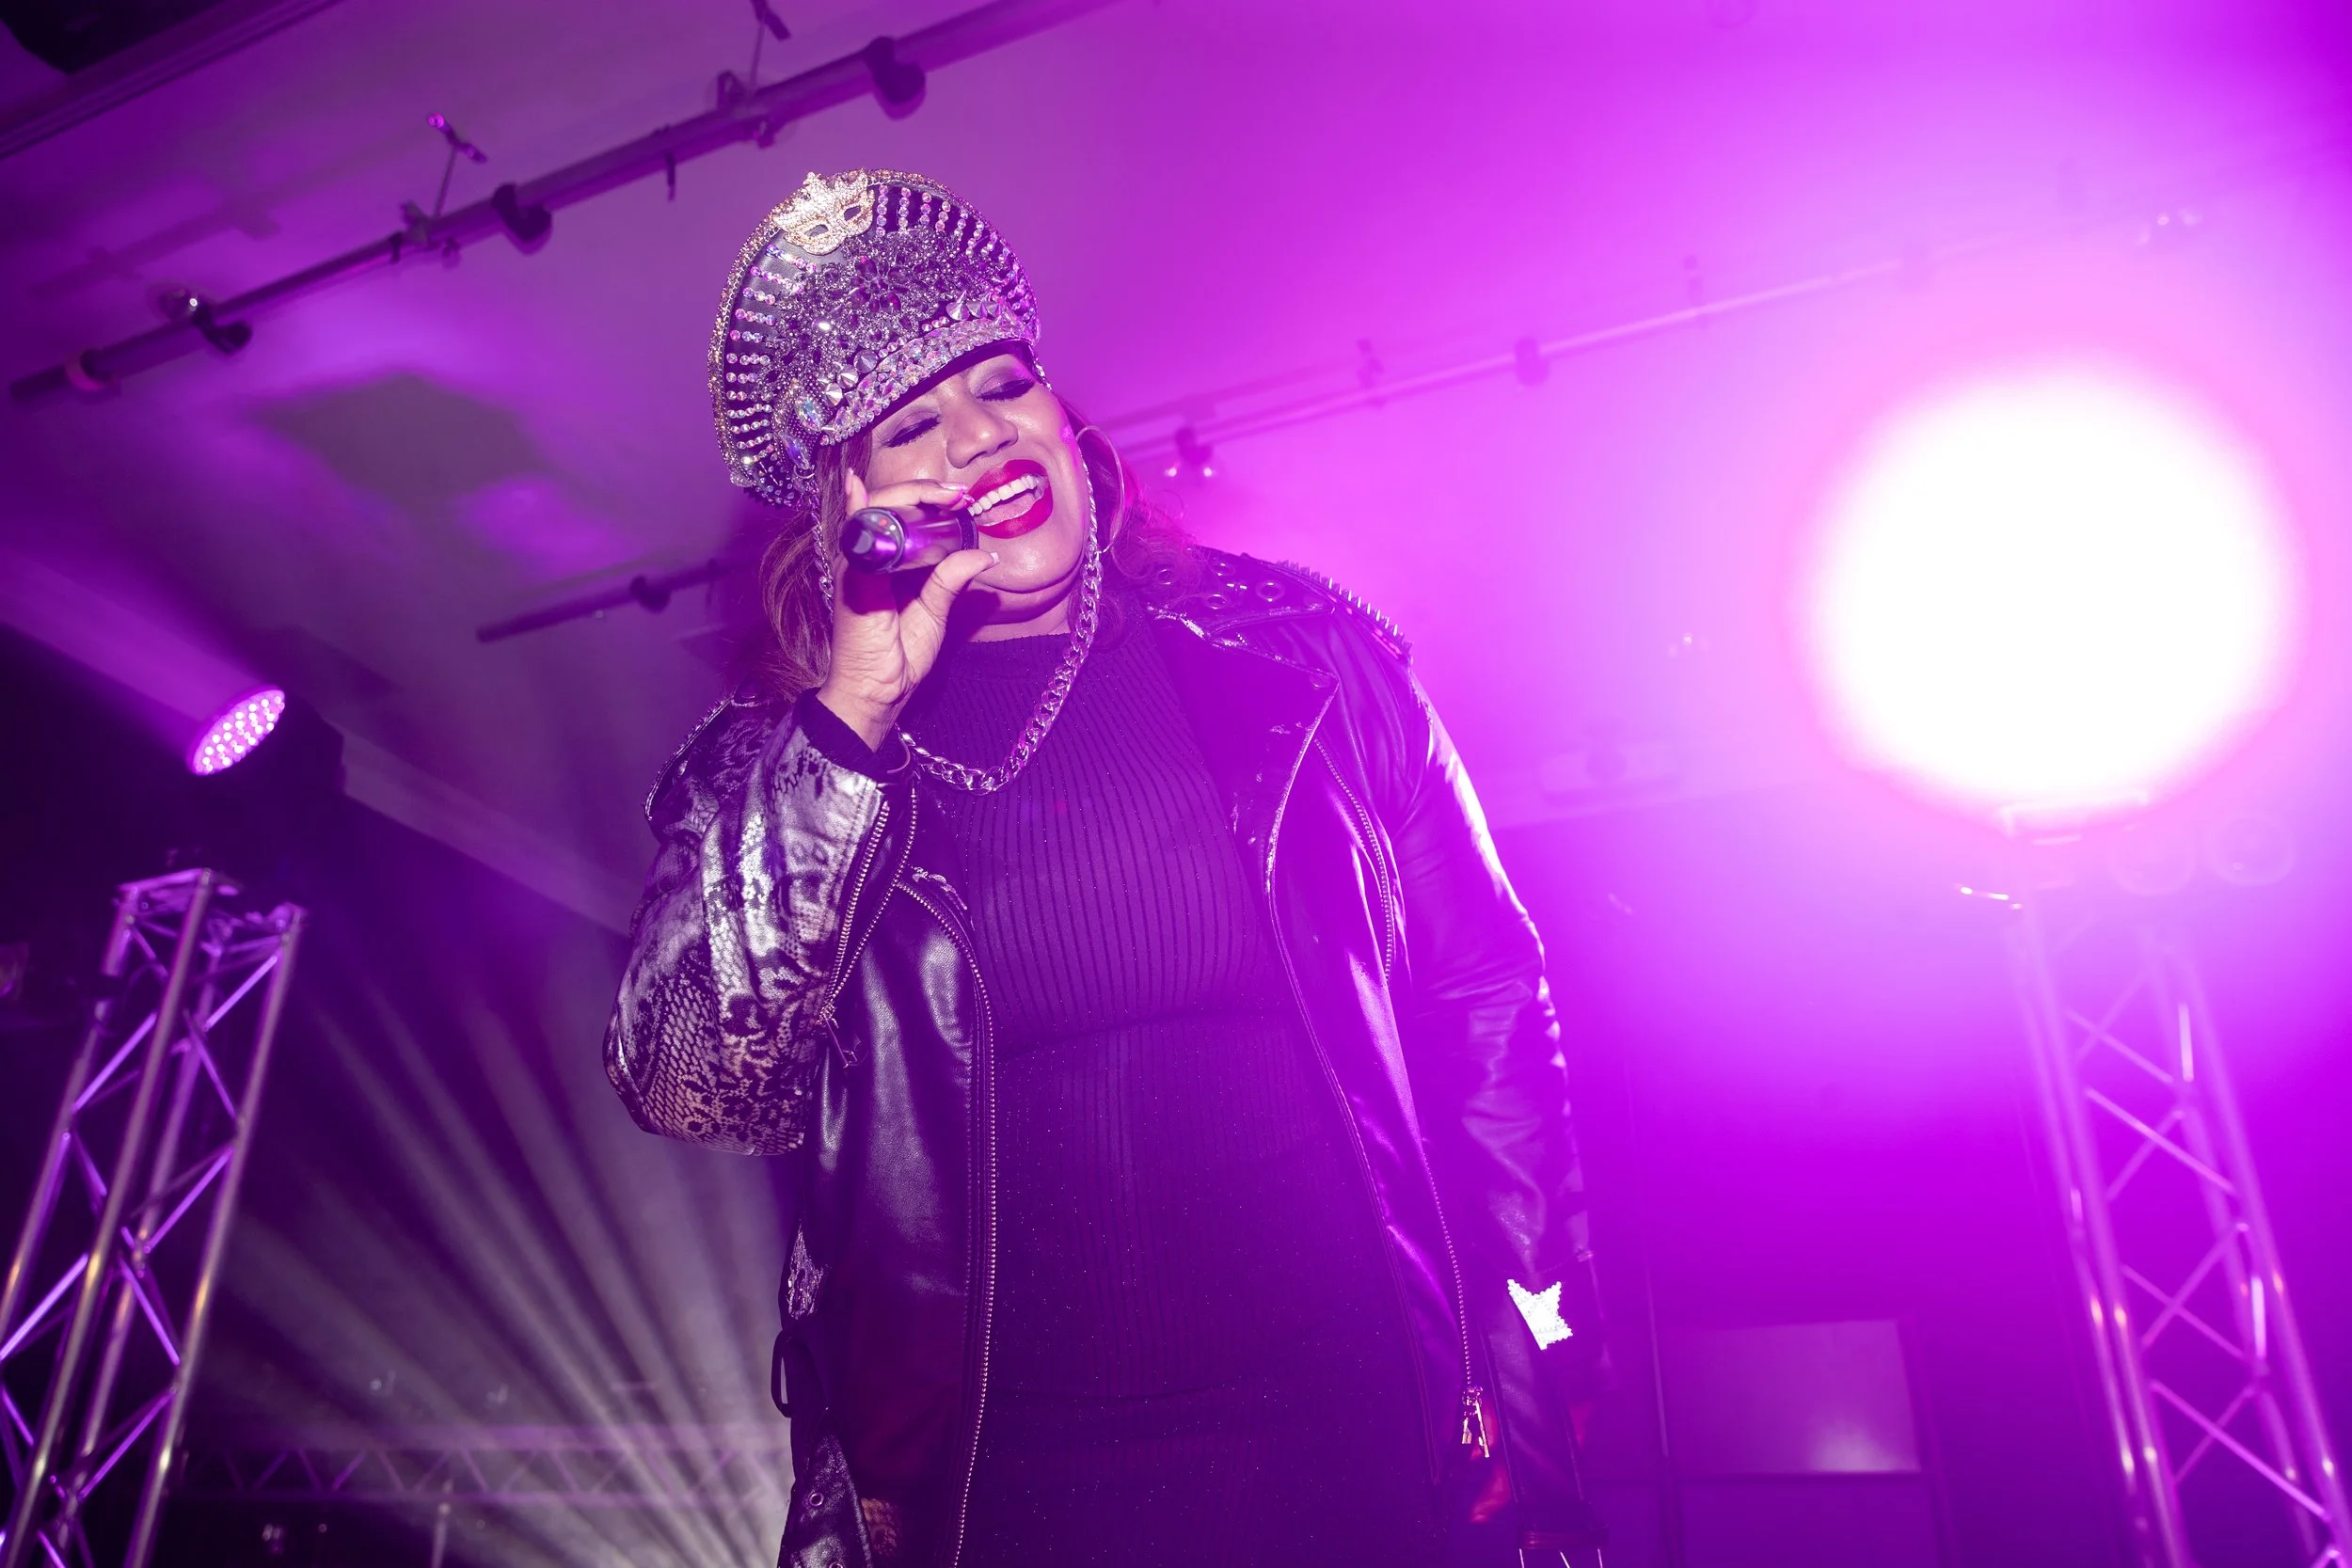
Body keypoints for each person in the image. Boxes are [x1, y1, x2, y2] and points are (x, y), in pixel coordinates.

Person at [605, 169, 1604, 1568]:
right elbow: (689, 1078)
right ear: (850, 512)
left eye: (1002, 386)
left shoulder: (1305, 662)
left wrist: (1536, 1371)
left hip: (1357, 1447)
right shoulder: (779, 767)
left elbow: (1487, 996)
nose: (980, 437)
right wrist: (852, 716)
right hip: (1003, 1503)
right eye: (914, 426)